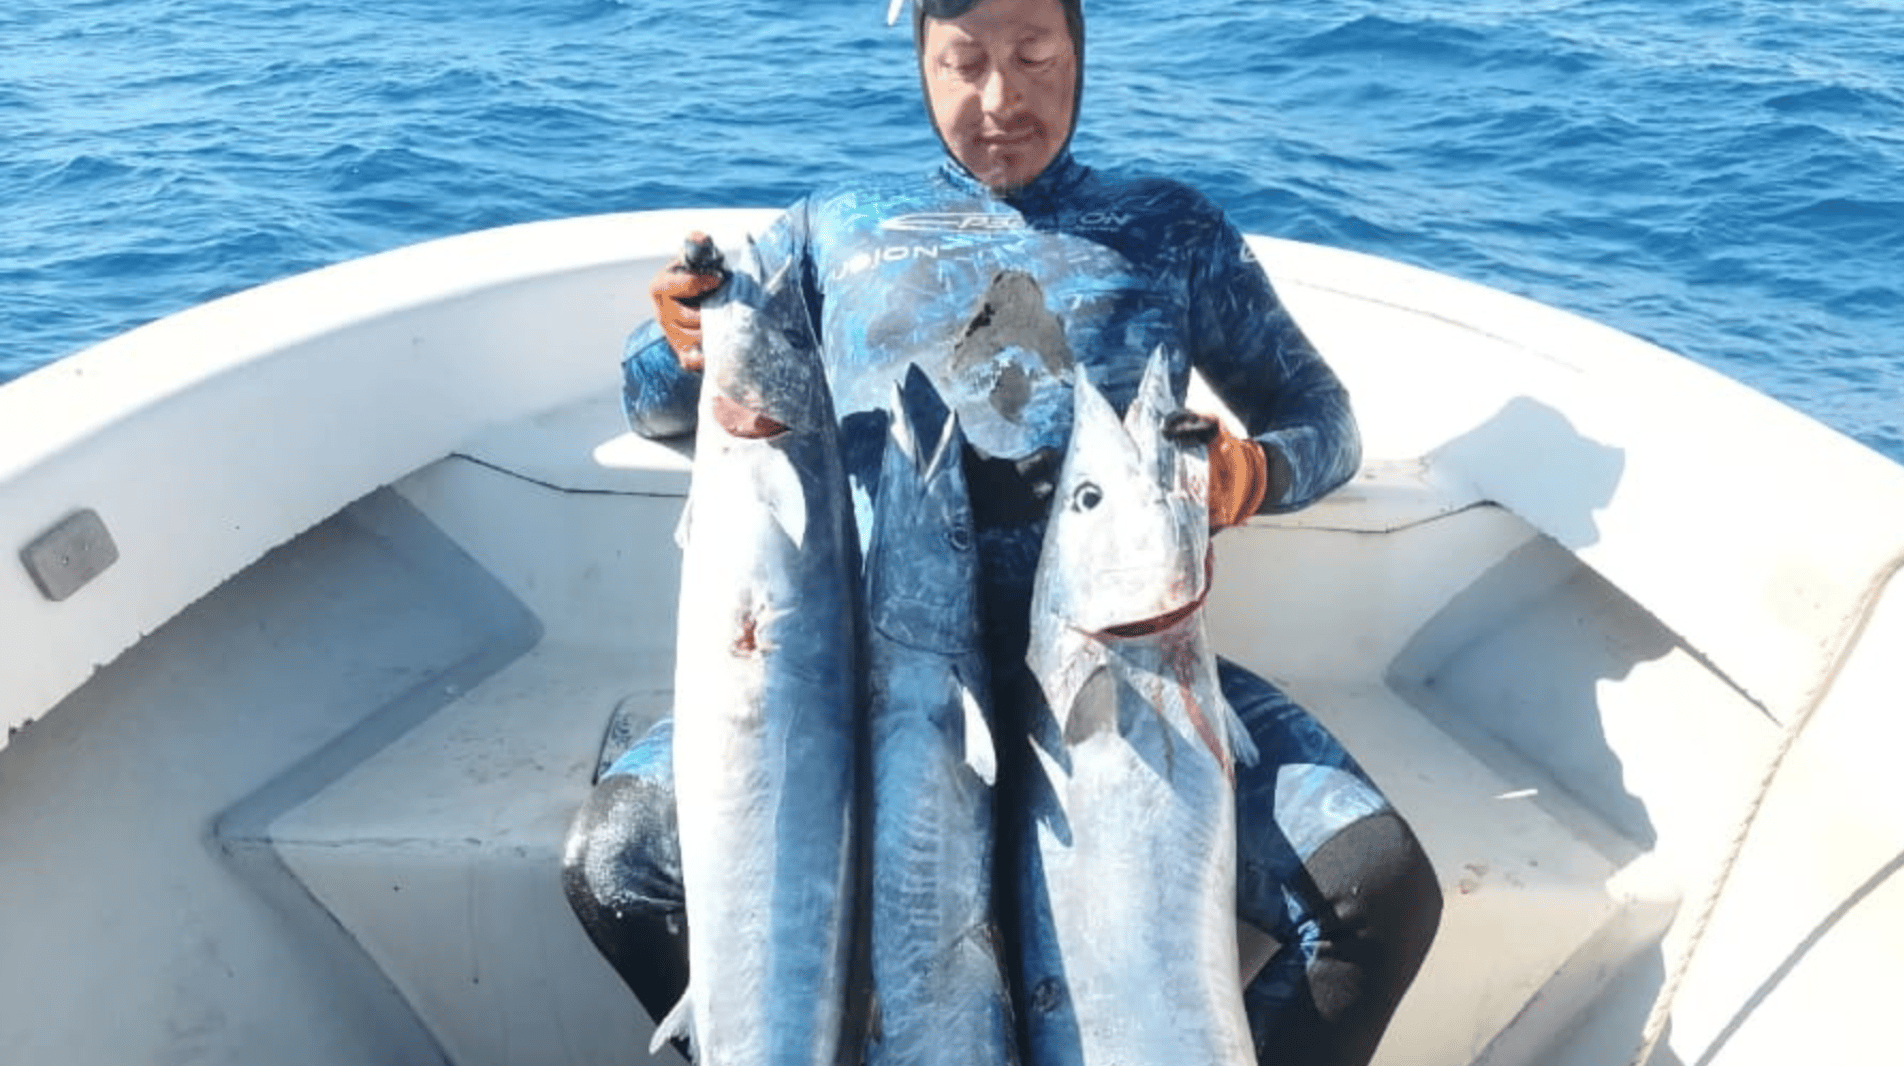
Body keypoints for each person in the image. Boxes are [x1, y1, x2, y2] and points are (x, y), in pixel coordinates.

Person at [561, 0, 1443, 1062]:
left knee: (1375, 886)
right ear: (921, 61)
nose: (999, 100)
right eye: (964, 61)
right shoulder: (830, 231)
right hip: (858, 689)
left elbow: (1324, 420)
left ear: (1079, 50)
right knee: (615, 862)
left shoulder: (1169, 231)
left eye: (1033, 57)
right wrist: (679, 340)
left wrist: (1256, 471)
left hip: (1118, 682)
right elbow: (660, 402)